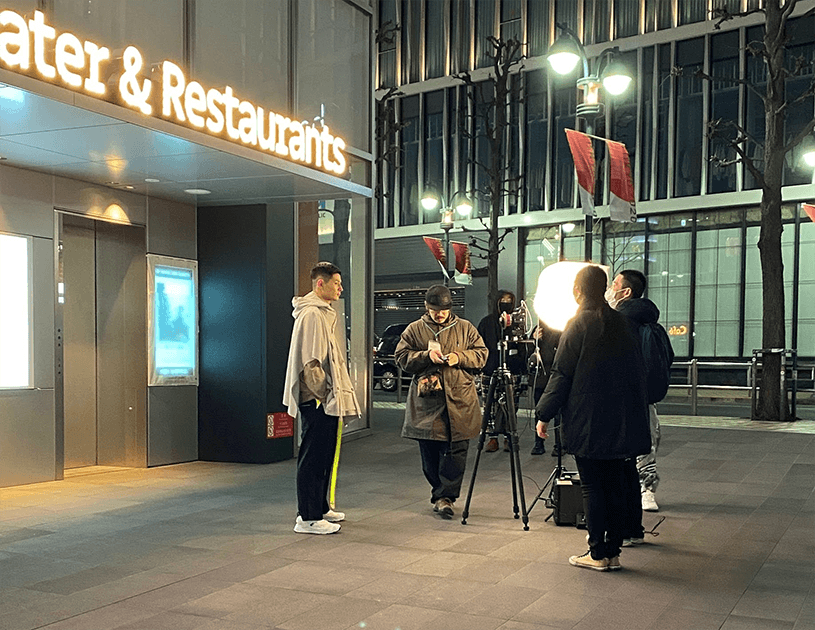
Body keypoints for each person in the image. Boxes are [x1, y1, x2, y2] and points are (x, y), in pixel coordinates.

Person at [536, 265, 650, 571]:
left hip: (589, 420)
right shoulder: (622, 322)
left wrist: (543, 414)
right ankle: (612, 551)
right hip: (622, 419)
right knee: (614, 486)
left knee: (592, 488)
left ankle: (597, 552)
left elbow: (562, 374)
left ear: (577, 291)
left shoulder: (579, 324)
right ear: (604, 290)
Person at [395, 285, 487, 519]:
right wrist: (425, 356)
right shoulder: (415, 329)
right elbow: (401, 357)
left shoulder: (465, 328)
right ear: (427, 307)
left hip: (461, 399)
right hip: (427, 402)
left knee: (457, 451)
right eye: (435, 310)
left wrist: (459, 357)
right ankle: (440, 492)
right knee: (430, 453)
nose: (440, 314)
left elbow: (482, 354)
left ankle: (445, 497)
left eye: (444, 310)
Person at [284, 262, 360, 535]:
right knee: (314, 456)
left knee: (324, 453)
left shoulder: (322, 313)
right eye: (336, 282)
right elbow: (311, 363)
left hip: (324, 398)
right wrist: (323, 396)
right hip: (318, 400)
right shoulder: (313, 315)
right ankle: (308, 516)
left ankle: (320, 506)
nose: (340, 288)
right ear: (320, 284)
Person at [607, 269, 666, 515]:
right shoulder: (648, 321)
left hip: (623, 395)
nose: (610, 288)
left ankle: (641, 493)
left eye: (614, 284)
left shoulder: (621, 323)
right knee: (645, 440)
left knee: (629, 445)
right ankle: (644, 491)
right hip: (644, 397)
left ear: (625, 291)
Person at [477, 290, 527, 453]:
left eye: (509, 300)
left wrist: (521, 366)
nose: (506, 303)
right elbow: (479, 347)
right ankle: (492, 438)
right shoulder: (486, 323)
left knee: (511, 405)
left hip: (512, 371)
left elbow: (522, 348)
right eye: (503, 300)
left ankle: (509, 437)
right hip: (490, 370)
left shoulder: (517, 323)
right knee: (489, 405)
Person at [528, 320, 561, 455]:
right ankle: (538, 443)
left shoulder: (561, 327)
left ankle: (560, 445)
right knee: (539, 411)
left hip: (555, 378)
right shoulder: (538, 328)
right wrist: (534, 340)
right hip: (540, 379)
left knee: (558, 414)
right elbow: (528, 354)